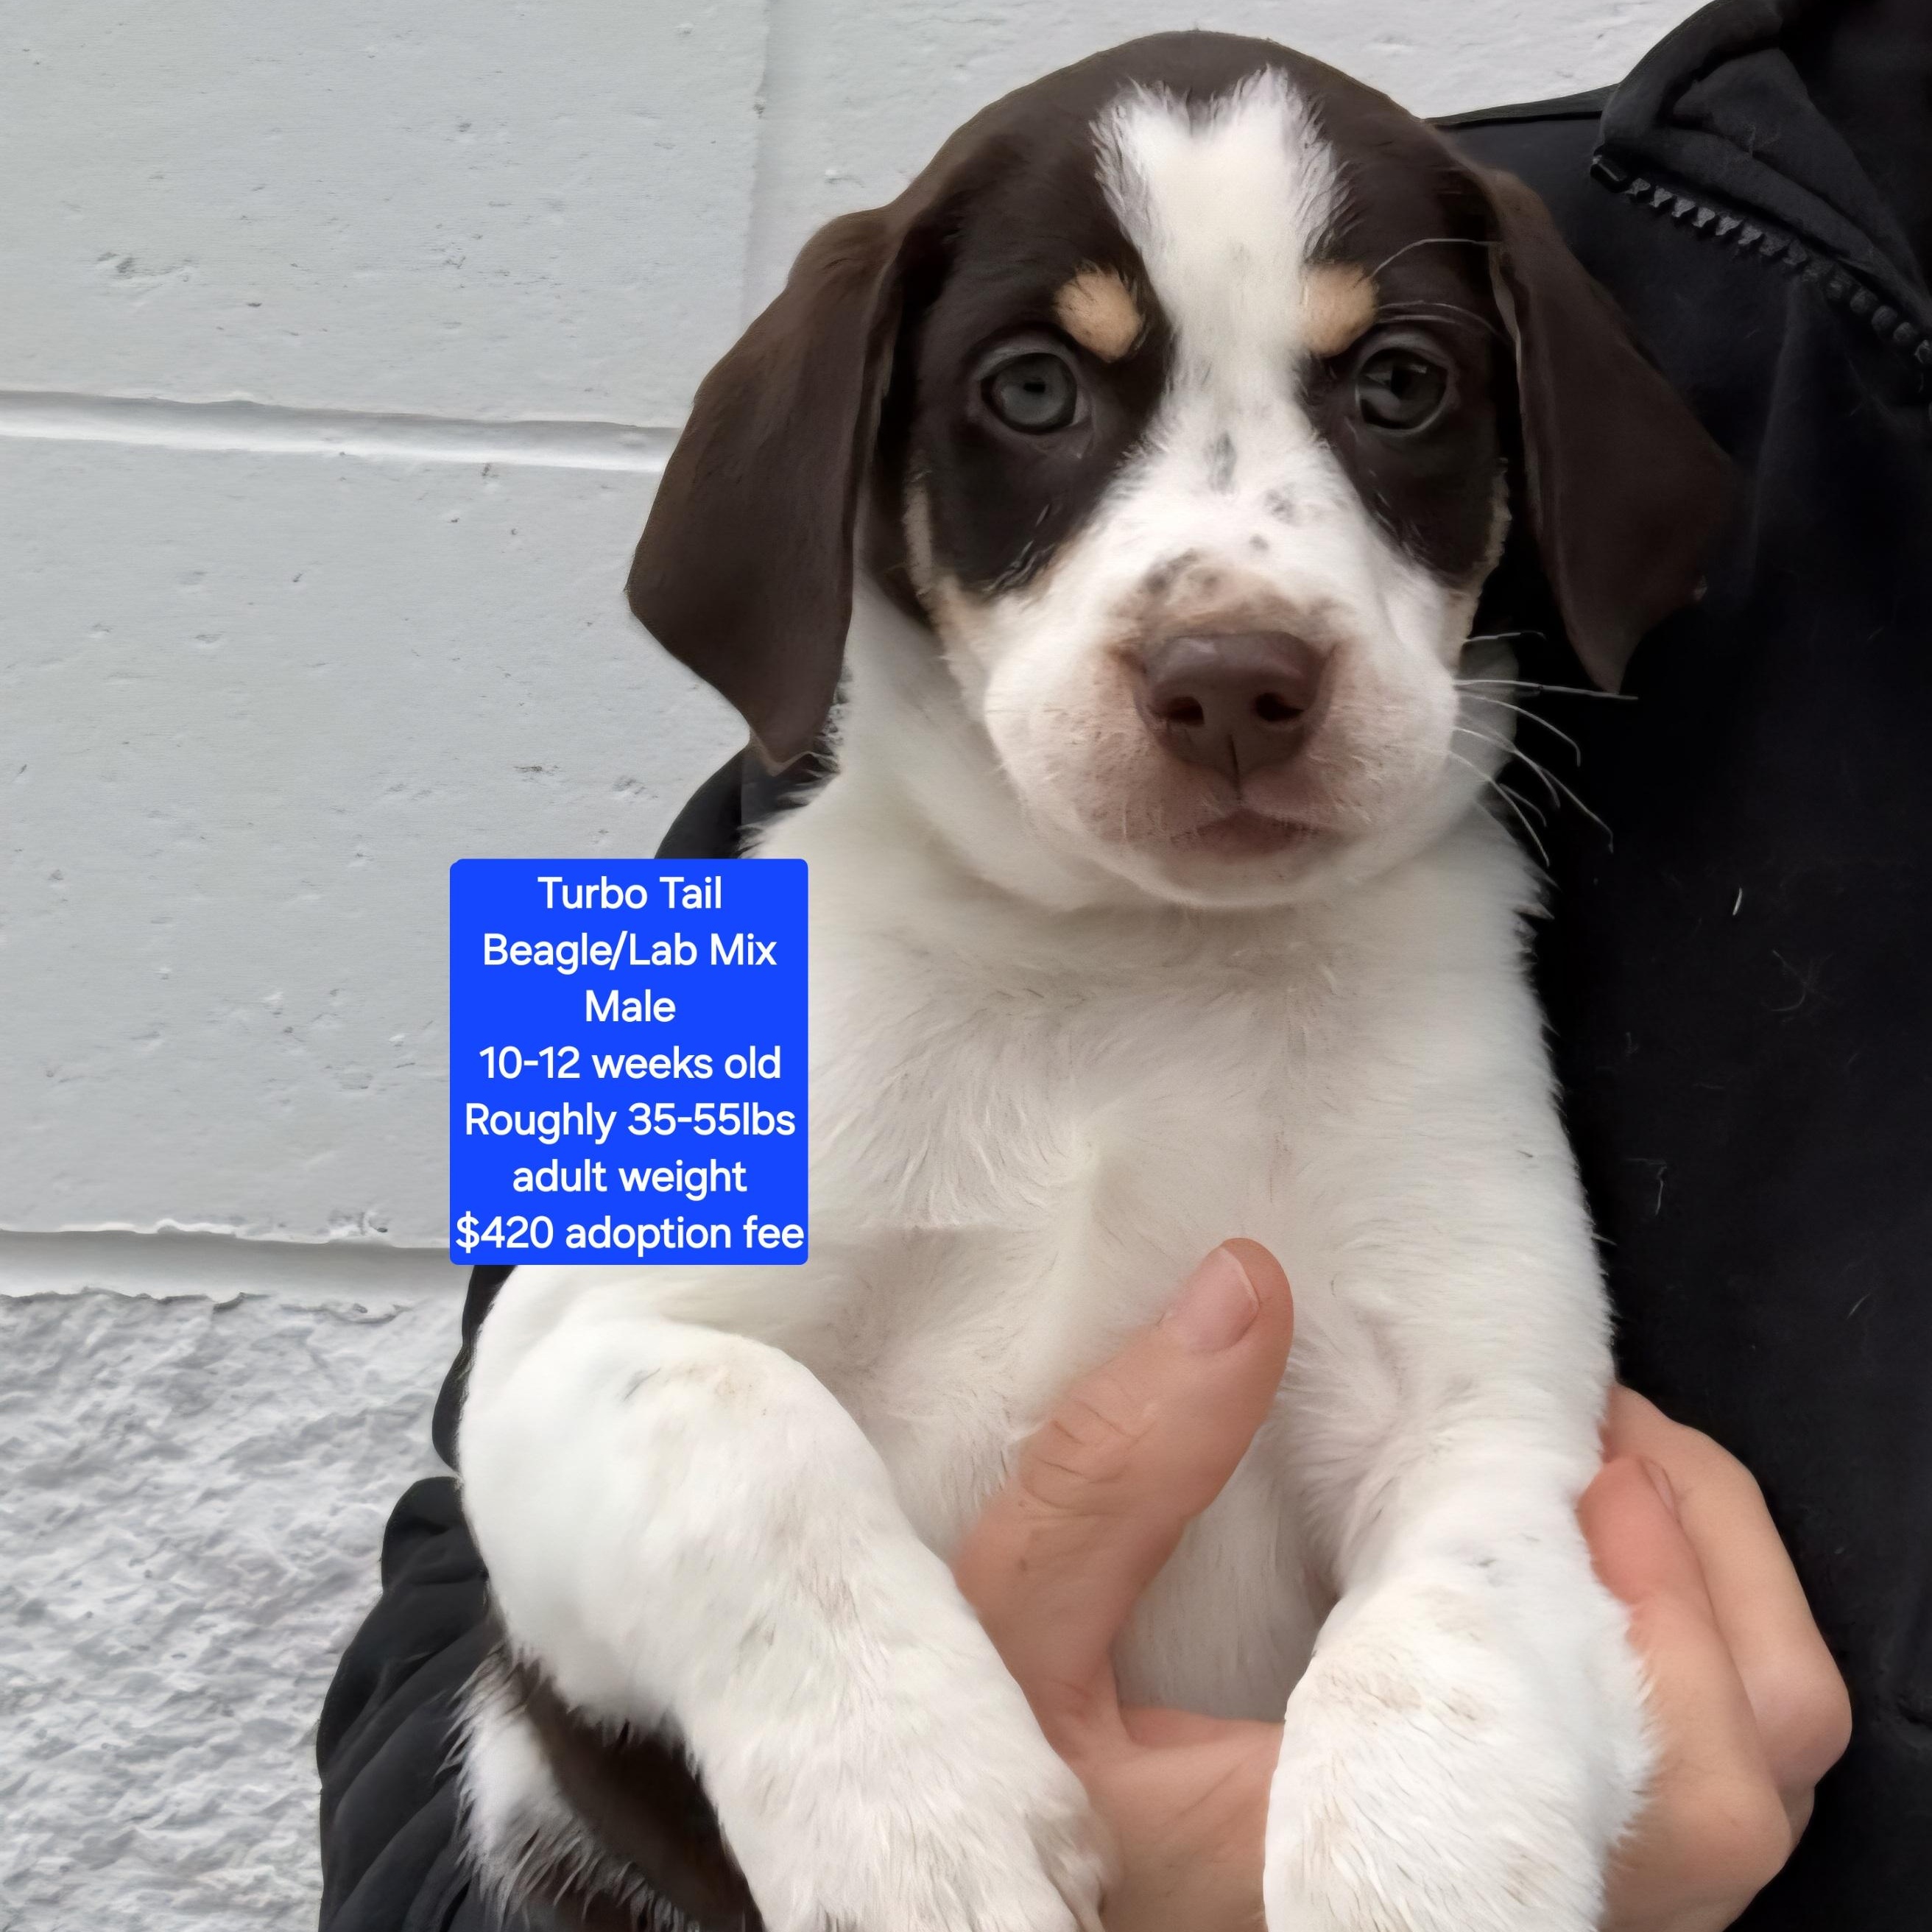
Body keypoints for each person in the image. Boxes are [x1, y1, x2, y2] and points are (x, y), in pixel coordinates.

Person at [317, 1, 1931, 1924]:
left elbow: (1485, 1506)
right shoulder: (705, 884)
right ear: (840, 477)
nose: (1235, 612)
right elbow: (477, 1496)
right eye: (1031, 392)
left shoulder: (1569, 337)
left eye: (1394, 395)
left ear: (1527, 459)